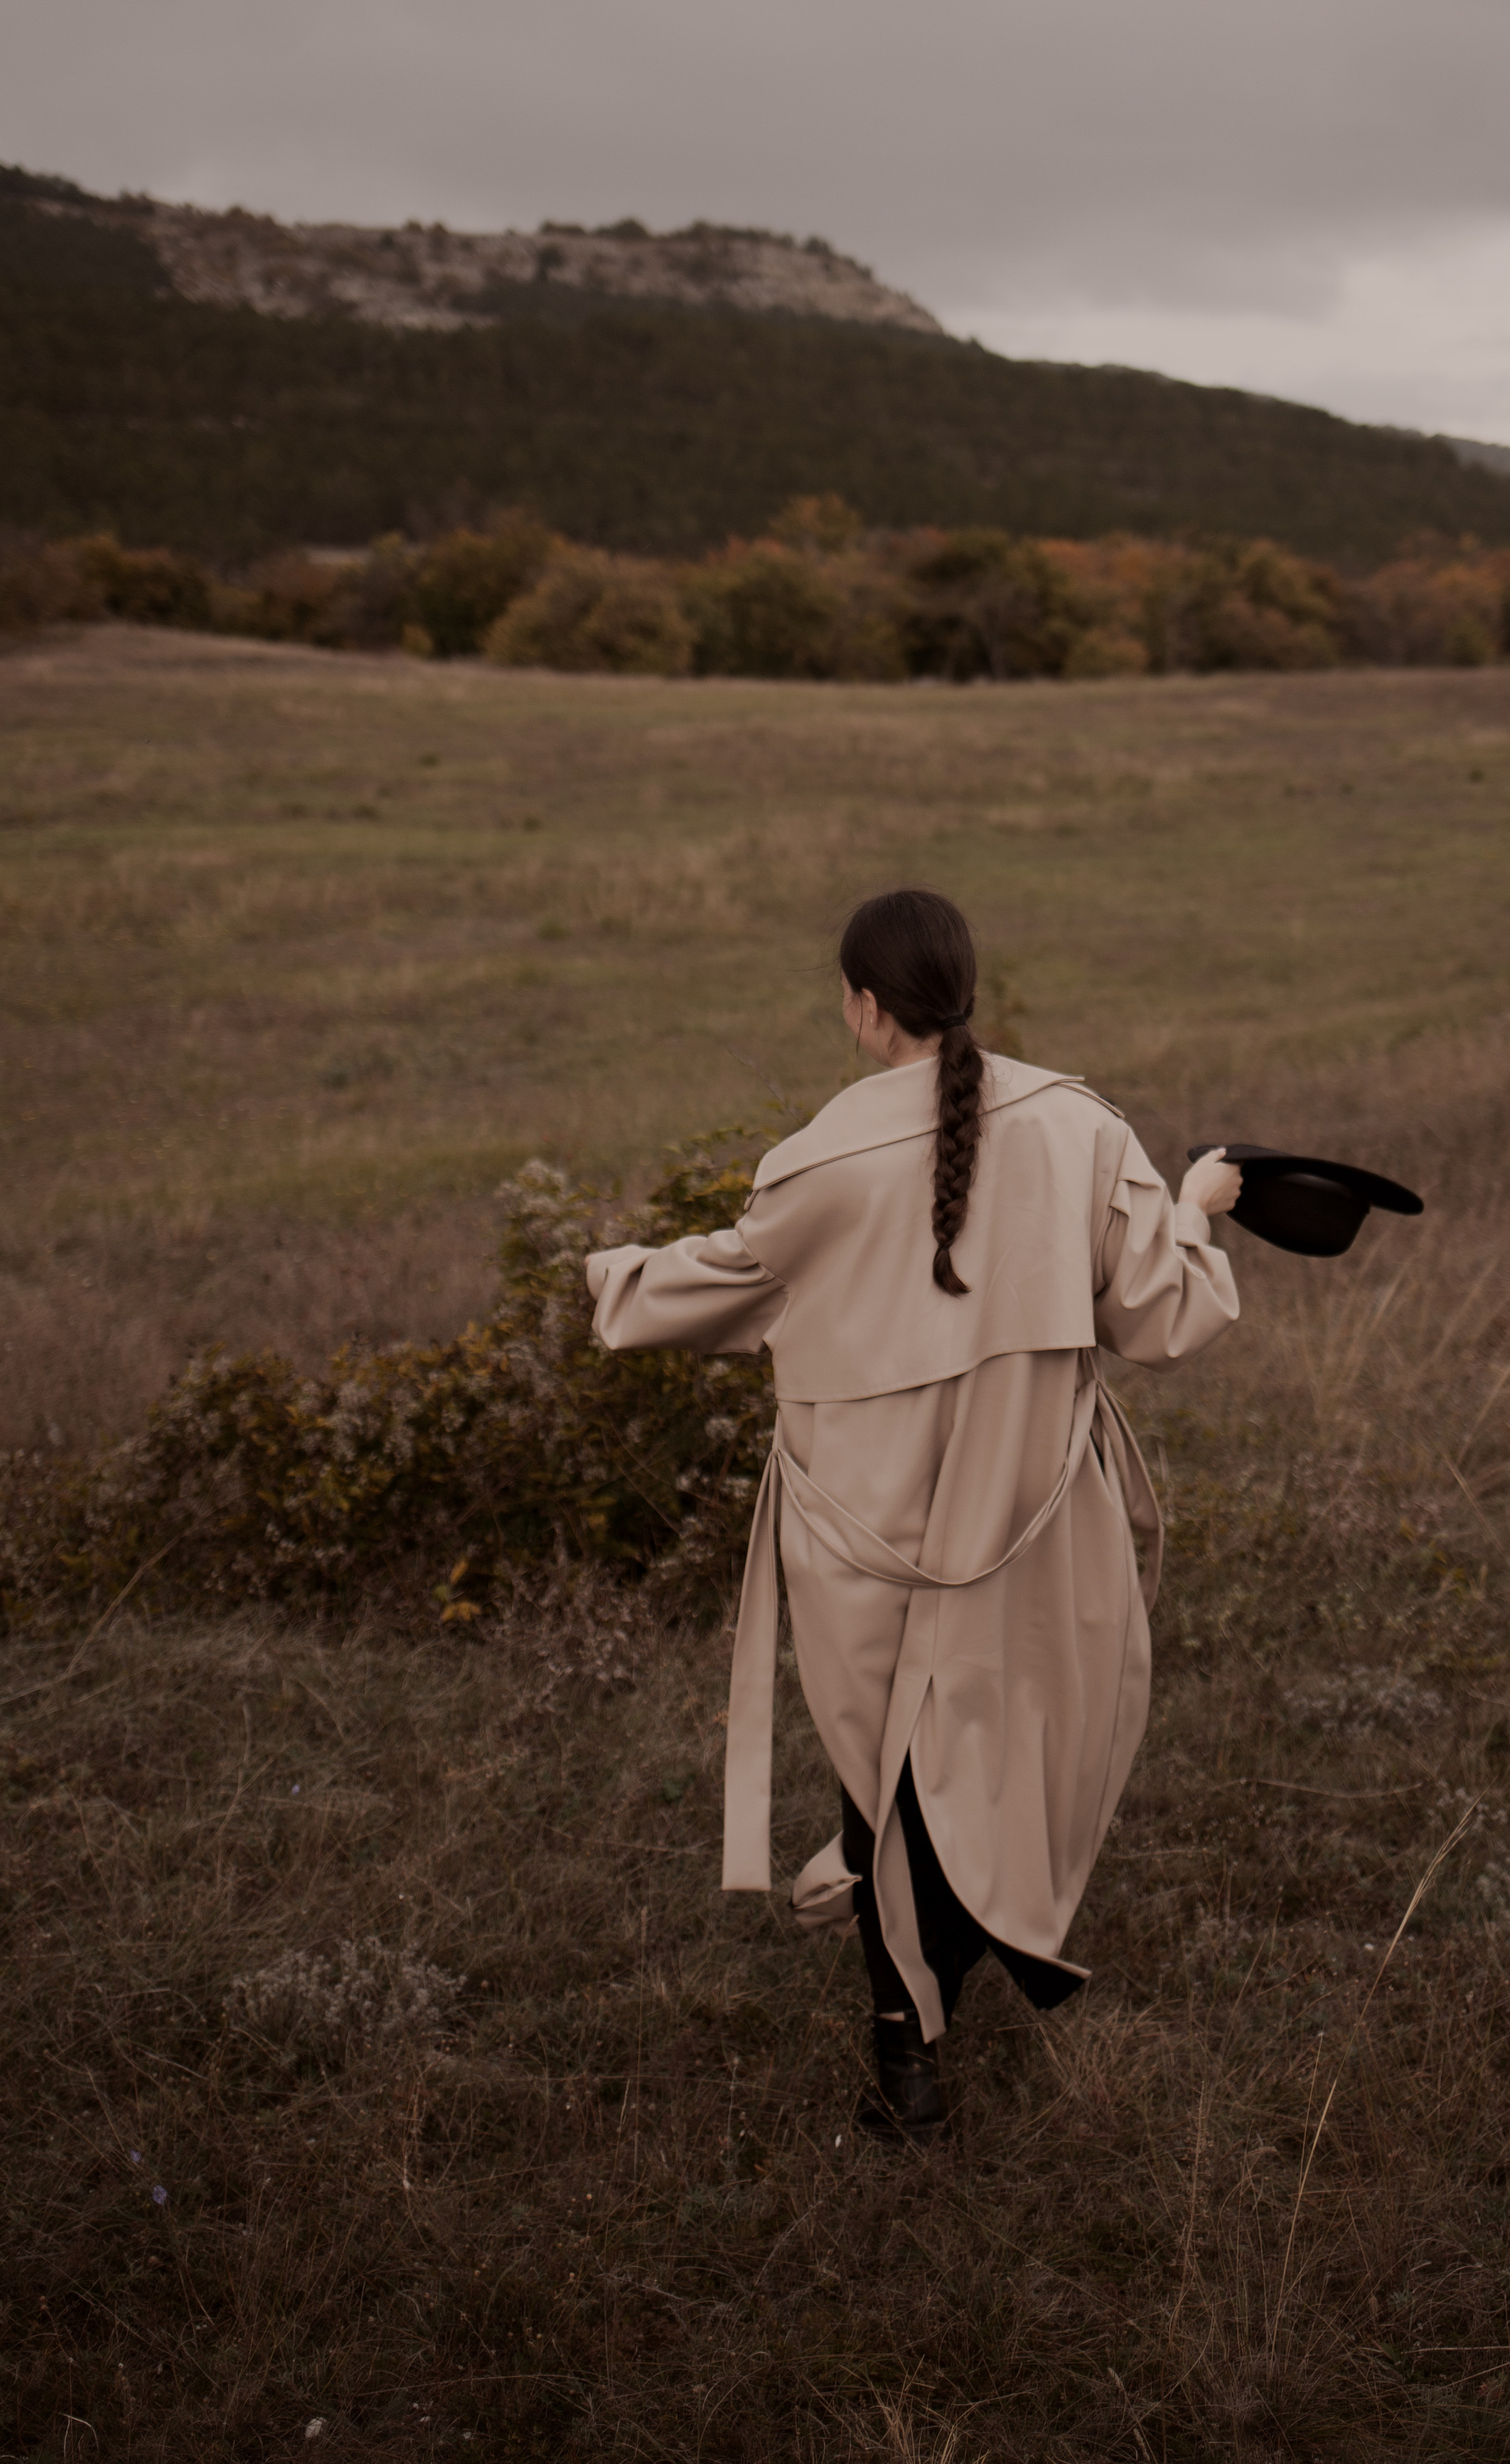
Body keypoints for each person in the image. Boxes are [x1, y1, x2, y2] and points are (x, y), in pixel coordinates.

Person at [586, 888, 1241, 2141]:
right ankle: (963, 1958)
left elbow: (730, 1280)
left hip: (860, 1527)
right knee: (1010, 1749)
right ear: (966, 991)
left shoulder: (818, 1157)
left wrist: (610, 1282)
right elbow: (1164, 1313)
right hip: (1032, 1515)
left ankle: (910, 2041)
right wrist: (1194, 1207)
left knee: (881, 1773)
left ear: (865, 1006)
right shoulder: (1082, 1126)